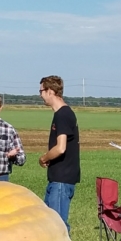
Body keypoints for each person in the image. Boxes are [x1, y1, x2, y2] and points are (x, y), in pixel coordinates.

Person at [38, 75, 79, 232]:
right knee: (49, 222)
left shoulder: (62, 114)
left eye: (41, 91)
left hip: (61, 180)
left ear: (50, 91)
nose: (40, 95)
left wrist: (44, 158)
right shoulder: (63, 113)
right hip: (58, 178)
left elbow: (60, 148)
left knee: (57, 225)